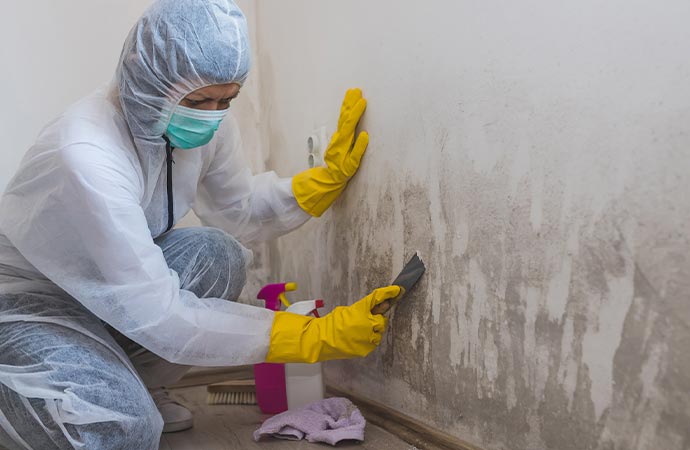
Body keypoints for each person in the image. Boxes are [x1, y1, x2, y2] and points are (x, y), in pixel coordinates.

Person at [0, 0, 402, 448]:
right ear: (143, 74)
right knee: (121, 429)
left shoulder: (202, 120)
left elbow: (239, 210)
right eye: (197, 101)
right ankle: (19, 391)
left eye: (225, 100)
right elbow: (158, 313)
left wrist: (316, 186)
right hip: (33, 303)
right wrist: (310, 335)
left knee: (218, 254)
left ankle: (135, 385)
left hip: (111, 294)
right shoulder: (86, 152)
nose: (210, 113)